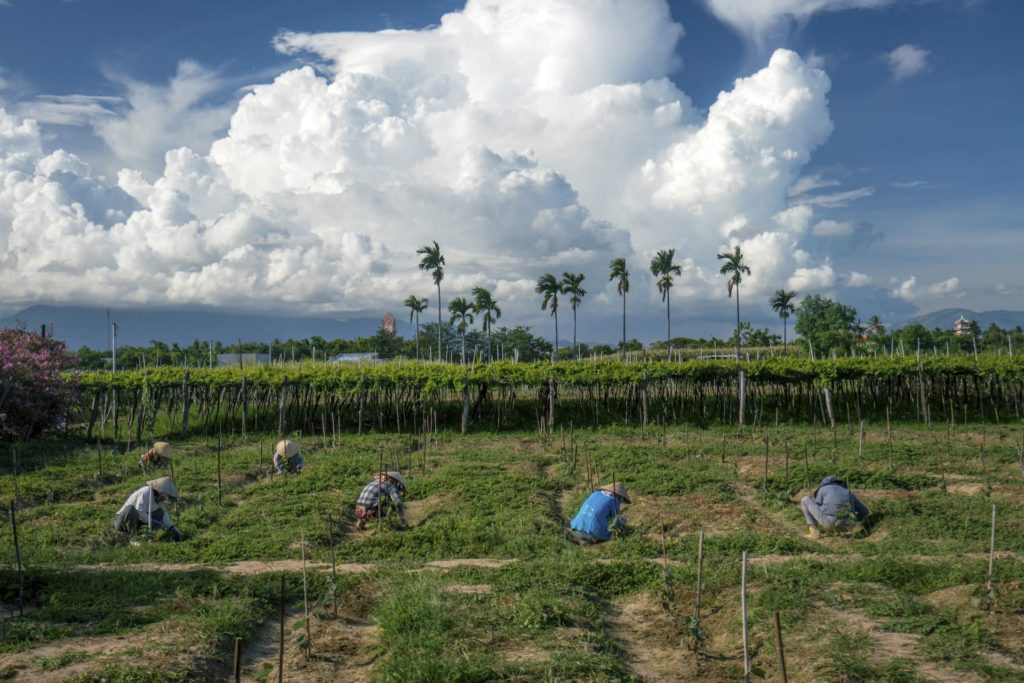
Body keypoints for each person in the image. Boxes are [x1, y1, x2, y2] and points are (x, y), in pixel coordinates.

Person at [114, 476, 183, 542]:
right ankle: (132, 539)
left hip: (136, 522)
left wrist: (172, 528)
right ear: (161, 492)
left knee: (159, 513)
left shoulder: (159, 499)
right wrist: (152, 522)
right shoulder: (146, 492)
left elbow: (164, 515)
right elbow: (139, 511)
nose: (165, 499)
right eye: (165, 496)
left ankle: (147, 535)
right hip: (122, 522)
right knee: (131, 509)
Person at [801, 475, 869, 539]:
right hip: (848, 525)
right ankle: (839, 530)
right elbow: (864, 511)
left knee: (805, 499)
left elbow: (818, 506)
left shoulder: (823, 489)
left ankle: (813, 532)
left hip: (829, 523)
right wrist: (856, 521)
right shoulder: (848, 491)